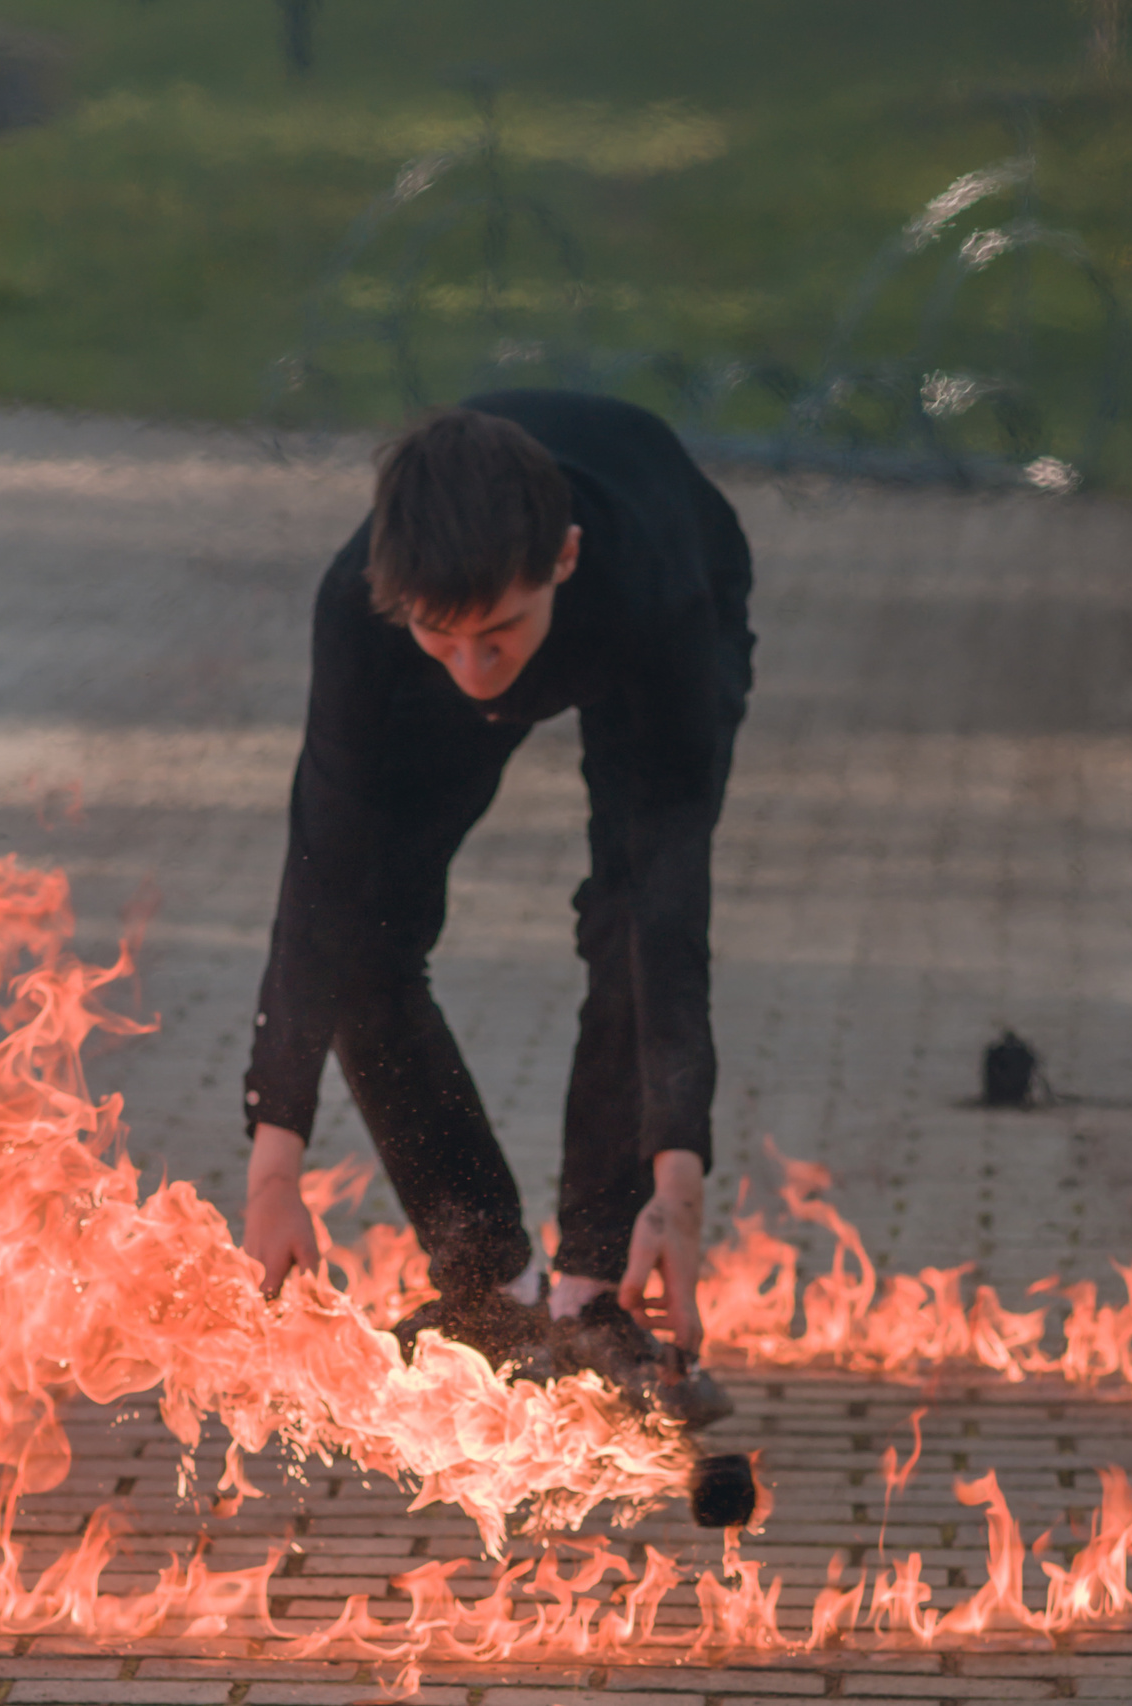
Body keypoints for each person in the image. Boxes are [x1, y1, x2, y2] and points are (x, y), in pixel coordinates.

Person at [238, 390, 753, 1426]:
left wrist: (677, 1165)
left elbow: (665, 907)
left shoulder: (651, 591)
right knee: (367, 938)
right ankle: (492, 1285)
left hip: (664, 600)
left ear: (561, 557)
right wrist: (272, 1157)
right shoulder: (366, 610)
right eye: (442, 637)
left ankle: (595, 1293)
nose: (473, 673)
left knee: (623, 919)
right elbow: (320, 872)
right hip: (496, 612)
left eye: (497, 636)